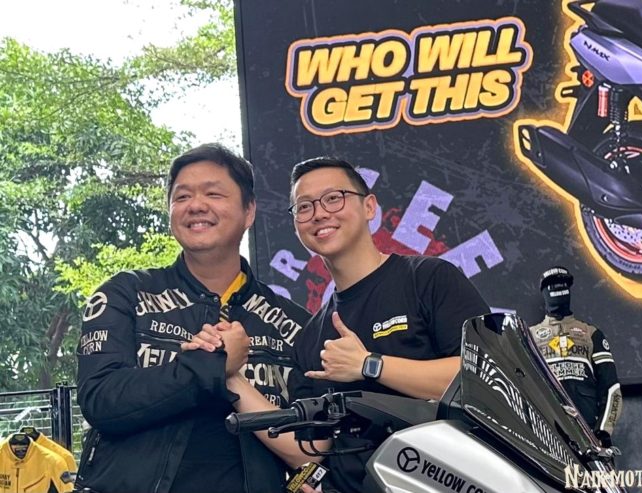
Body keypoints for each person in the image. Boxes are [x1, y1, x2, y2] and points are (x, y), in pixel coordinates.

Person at [188, 156, 489, 493]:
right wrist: (230, 375)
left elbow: (484, 380)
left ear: (369, 207)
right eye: (304, 207)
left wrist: (370, 365)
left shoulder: (429, 279)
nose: (319, 213)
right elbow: (310, 450)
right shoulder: (311, 336)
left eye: (334, 198)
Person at [74, 143, 310, 493]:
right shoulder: (125, 294)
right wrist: (211, 366)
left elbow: (313, 444)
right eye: (182, 196)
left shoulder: (296, 323)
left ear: (249, 211)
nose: (196, 205)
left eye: (213, 194)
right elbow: (101, 399)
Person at [529, 266, 622, 447]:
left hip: (588, 433)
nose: (558, 289)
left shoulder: (591, 334)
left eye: (562, 284)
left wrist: (603, 430)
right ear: (543, 291)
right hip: (547, 433)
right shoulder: (529, 336)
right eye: (552, 285)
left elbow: (611, 388)